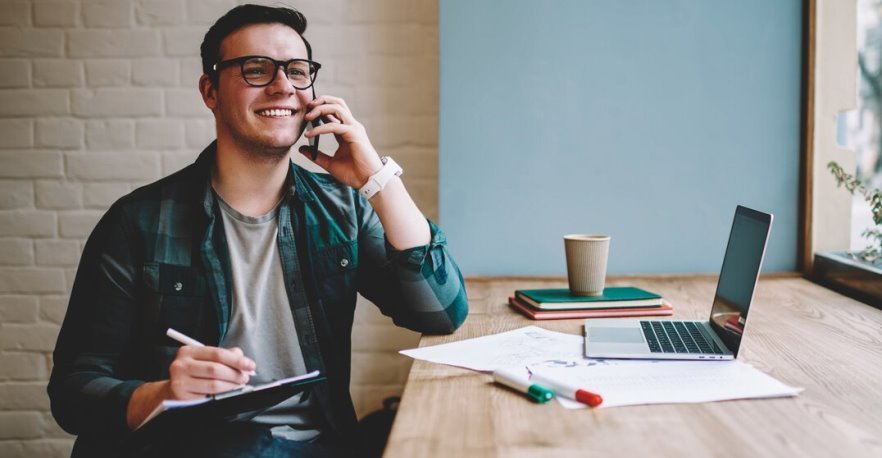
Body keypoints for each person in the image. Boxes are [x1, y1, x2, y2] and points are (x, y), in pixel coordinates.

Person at [47, 4, 468, 456]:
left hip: (316, 445)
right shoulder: (138, 223)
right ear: (210, 90)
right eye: (256, 69)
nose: (283, 86)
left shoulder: (339, 208)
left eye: (297, 70)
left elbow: (440, 313)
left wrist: (377, 180)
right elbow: (74, 392)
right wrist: (164, 393)